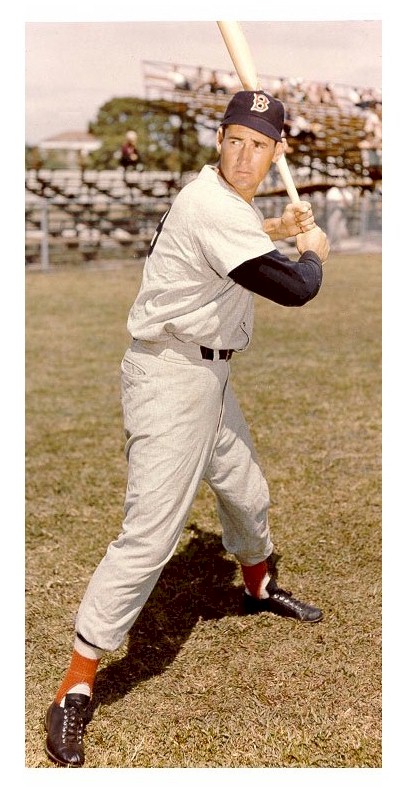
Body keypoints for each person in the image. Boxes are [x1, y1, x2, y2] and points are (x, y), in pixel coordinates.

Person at [44, 90, 330, 768]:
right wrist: (309, 246)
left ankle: (256, 586)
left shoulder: (223, 206)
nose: (242, 153)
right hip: (170, 379)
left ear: (275, 151)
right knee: (149, 535)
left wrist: (272, 229)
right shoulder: (209, 200)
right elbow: (295, 288)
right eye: (233, 139)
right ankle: (74, 685)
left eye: (258, 145)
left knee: (246, 490)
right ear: (219, 141)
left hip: (209, 377)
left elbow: (220, 248)